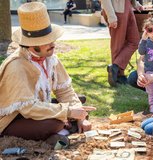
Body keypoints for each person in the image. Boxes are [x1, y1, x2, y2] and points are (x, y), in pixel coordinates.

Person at [0, 2, 96, 146]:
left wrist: (80, 116)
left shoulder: (50, 59)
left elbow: (65, 90)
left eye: (52, 39)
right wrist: (68, 112)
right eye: (45, 41)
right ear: (31, 44)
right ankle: (61, 130)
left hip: (39, 108)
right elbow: (28, 108)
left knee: (79, 106)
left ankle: (64, 130)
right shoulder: (16, 66)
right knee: (54, 123)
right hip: (14, 118)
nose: (52, 44)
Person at [101, 0, 143, 87]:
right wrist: (111, 16)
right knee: (118, 44)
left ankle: (115, 67)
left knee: (135, 41)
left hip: (127, 7)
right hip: (116, 10)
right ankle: (119, 75)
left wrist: (135, 3)